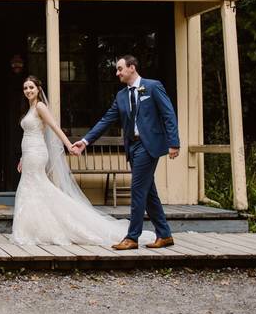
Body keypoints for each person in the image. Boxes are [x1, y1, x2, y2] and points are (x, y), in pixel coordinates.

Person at [11, 75, 142, 246]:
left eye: (31, 87)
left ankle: (44, 227)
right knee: (32, 187)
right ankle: (33, 228)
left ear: (38, 89)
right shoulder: (29, 108)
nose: (28, 91)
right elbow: (29, 134)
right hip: (29, 153)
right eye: (25, 88)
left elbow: (55, 127)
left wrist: (69, 145)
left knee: (35, 186)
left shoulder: (40, 106)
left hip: (37, 153)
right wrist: (22, 157)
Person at [72, 55, 180, 250]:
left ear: (132, 68)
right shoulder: (121, 96)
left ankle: (132, 238)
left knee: (138, 190)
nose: (117, 73)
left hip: (149, 146)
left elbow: (168, 114)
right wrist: (86, 141)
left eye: (120, 69)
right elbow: (106, 120)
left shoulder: (153, 86)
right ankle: (164, 235)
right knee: (148, 193)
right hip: (133, 147)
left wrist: (174, 143)